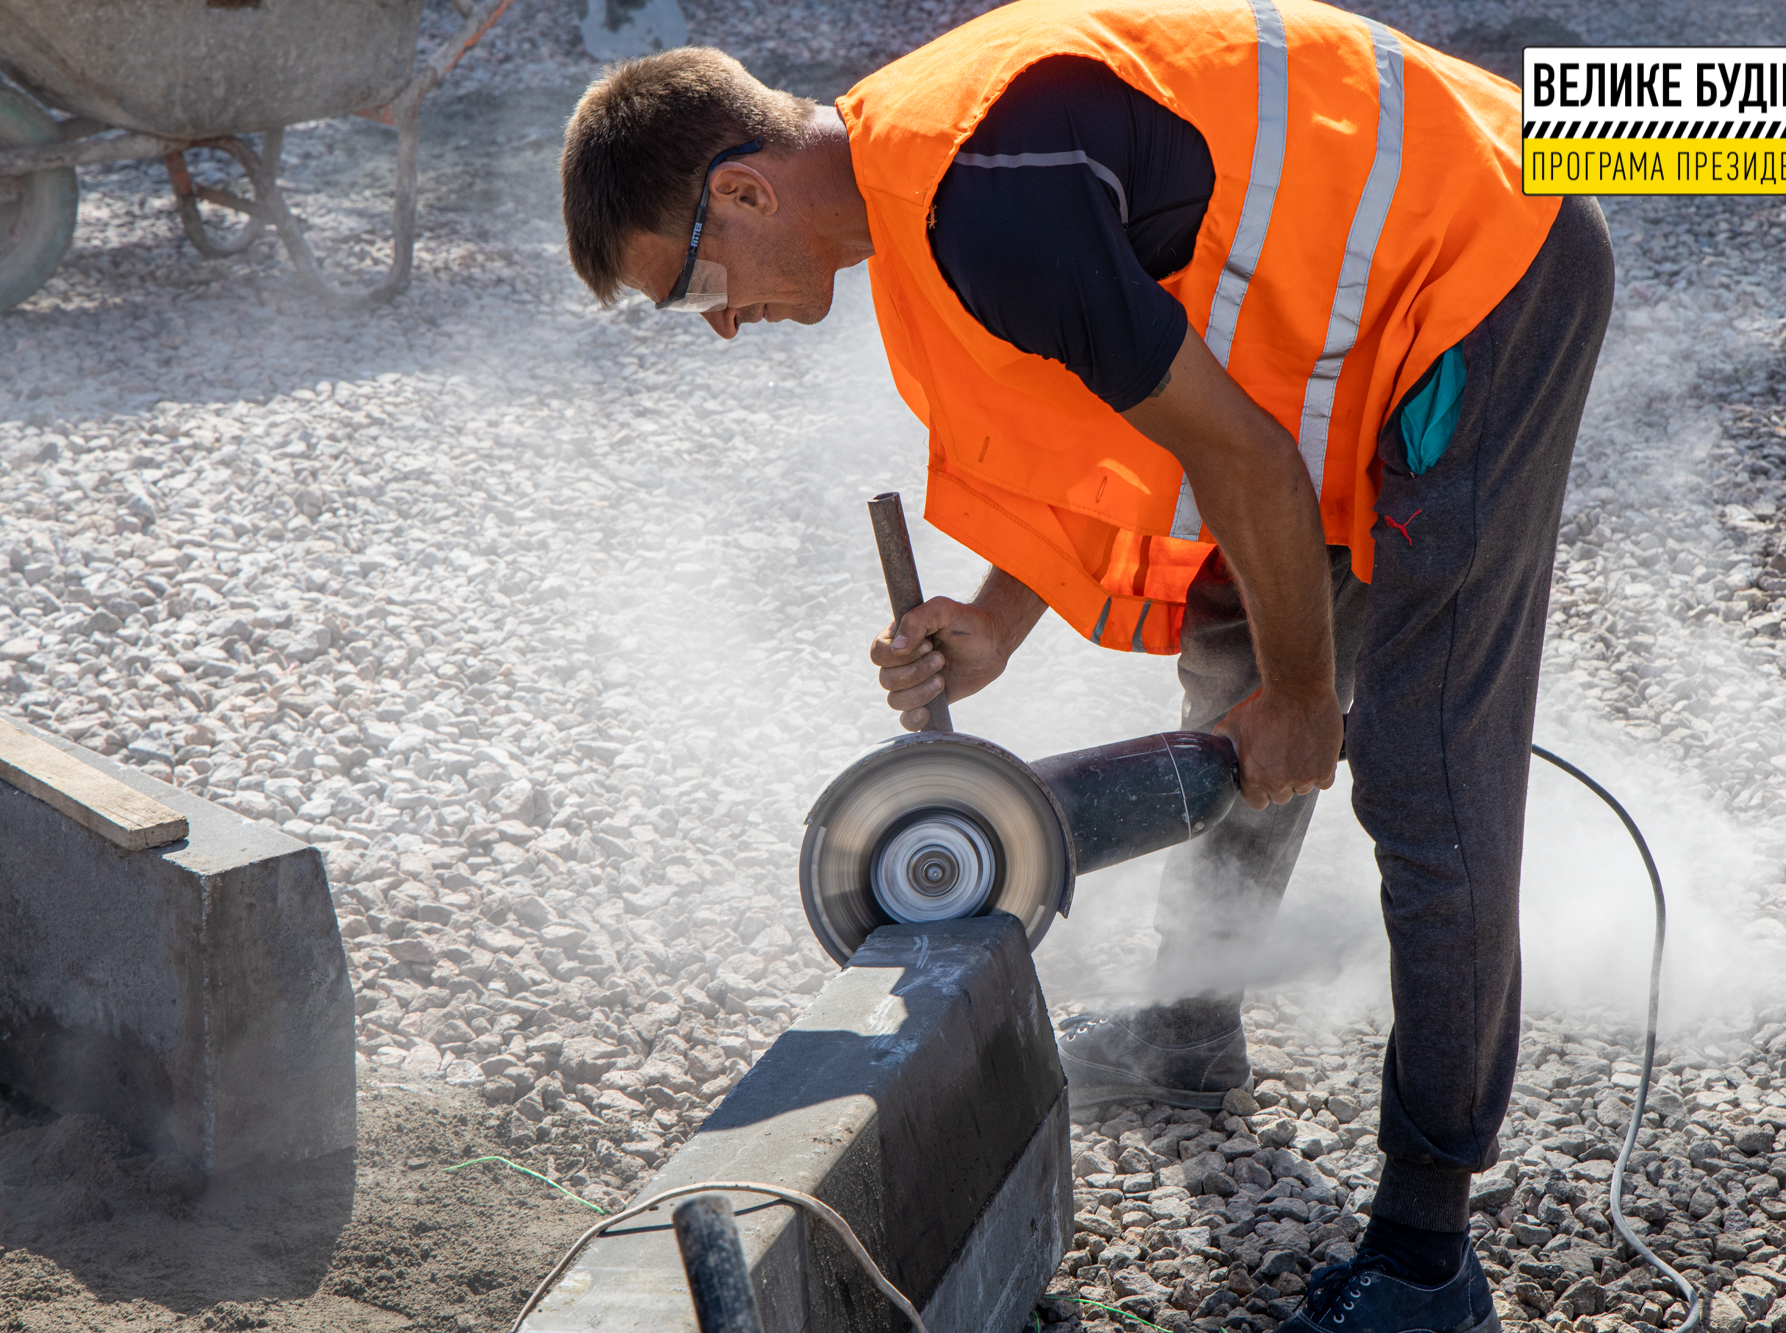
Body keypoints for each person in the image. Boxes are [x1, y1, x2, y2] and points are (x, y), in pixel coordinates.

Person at [559, 3, 1614, 1329]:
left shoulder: (983, 201)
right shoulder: (919, 192)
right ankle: (1189, 1029)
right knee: (1241, 645)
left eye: (695, 289)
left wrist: (1304, 699)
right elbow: (1139, 428)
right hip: (1355, 324)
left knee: (1425, 758)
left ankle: (1426, 1256)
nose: (719, 326)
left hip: (1487, 265)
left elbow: (1241, 457)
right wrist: (1001, 618)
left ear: (745, 190)